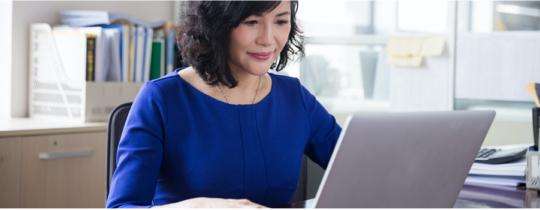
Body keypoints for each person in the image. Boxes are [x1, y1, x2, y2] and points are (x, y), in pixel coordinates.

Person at [106, 1, 341, 208]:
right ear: (217, 24)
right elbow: (122, 206)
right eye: (251, 22)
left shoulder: (295, 97)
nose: (268, 39)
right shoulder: (161, 99)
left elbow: (359, 167)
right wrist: (197, 207)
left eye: (281, 21)